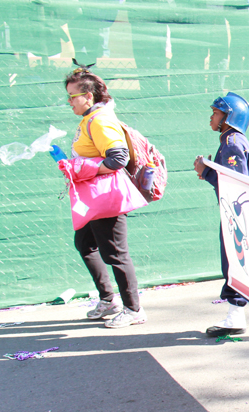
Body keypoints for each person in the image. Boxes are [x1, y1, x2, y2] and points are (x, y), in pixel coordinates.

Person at [194, 92, 249, 339]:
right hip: (238, 215)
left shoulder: (232, 142)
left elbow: (237, 186)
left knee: (238, 264)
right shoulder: (230, 140)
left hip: (238, 216)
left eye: (215, 113)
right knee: (239, 265)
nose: (211, 117)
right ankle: (240, 315)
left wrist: (205, 172)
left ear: (228, 117)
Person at [65, 67, 146, 329]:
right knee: (85, 244)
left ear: (88, 97)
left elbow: (118, 158)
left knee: (116, 254)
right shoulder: (90, 118)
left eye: (72, 96)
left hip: (106, 197)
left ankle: (133, 309)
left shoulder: (99, 120)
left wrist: (83, 168)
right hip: (94, 198)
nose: (70, 102)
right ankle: (108, 299)